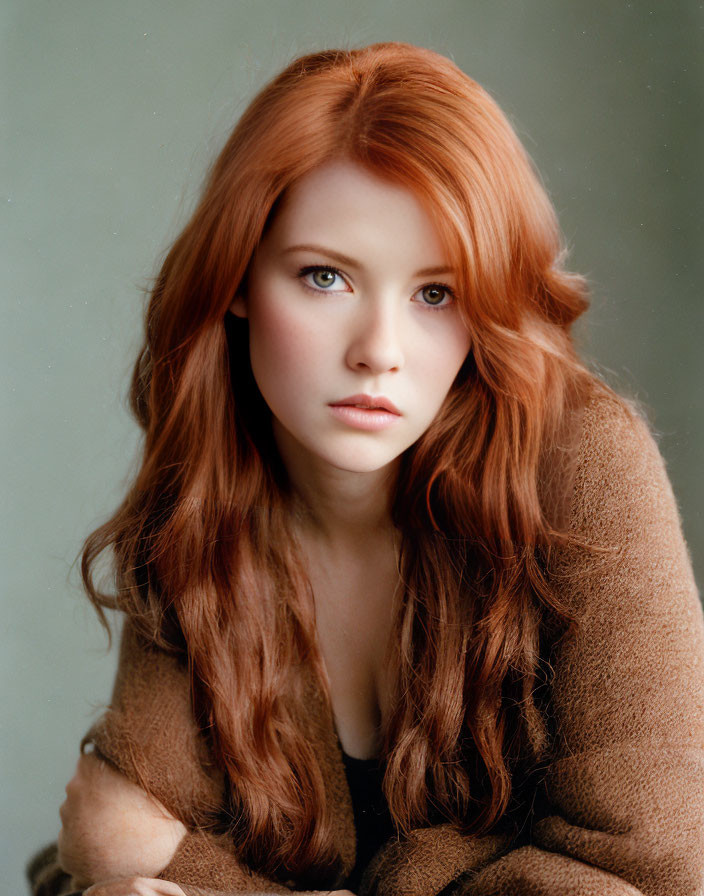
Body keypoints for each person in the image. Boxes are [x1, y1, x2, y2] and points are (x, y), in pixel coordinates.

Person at [27, 41, 704, 896]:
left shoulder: (582, 467)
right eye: (324, 277)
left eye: (436, 294)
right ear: (237, 277)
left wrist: (164, 863)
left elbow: (652, 873)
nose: (379, 352)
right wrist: (122, 863)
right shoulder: (201, 508)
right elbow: (99, 862)